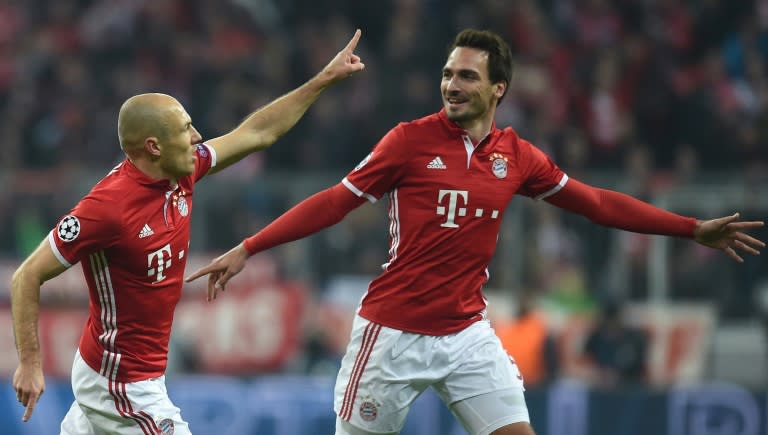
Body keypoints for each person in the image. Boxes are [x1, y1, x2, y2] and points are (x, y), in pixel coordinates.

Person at [185, 29, 765, 435]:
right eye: (447, 74)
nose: (452, 85)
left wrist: (690, 229)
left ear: (498, 89)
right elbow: (335, 203)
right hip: (392, 335)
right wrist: (248, 247)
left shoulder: (518, 157)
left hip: (467, 336)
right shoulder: (408, 141)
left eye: (467, 76)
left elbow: (595, 203)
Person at [10, 29, 365, 434]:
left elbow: (257, 133)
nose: (197, 138)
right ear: (154, 147)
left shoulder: (183, 171)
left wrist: (322, 80)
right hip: (120, 382)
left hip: (124, 369)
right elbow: (27, 276)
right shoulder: (106, 210)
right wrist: (30, 364)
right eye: (185, 129)